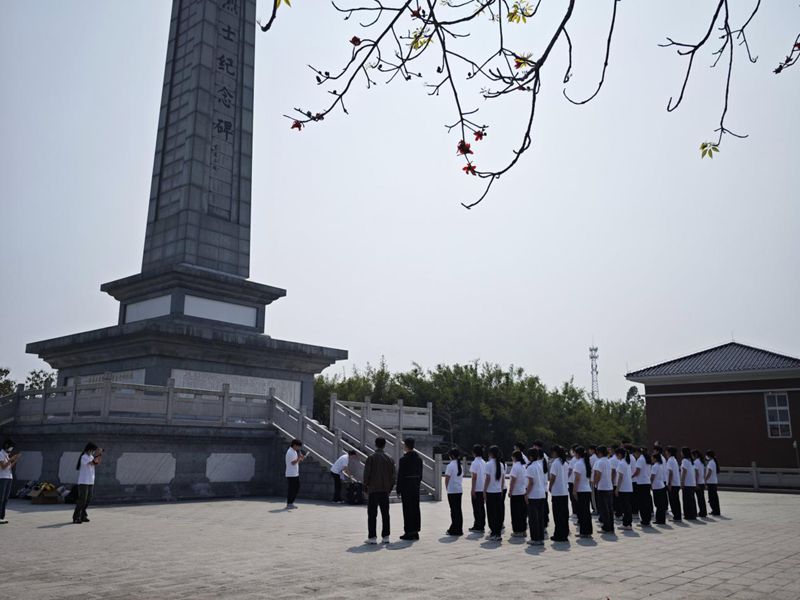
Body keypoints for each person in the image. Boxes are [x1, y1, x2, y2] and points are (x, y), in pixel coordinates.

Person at [363, 437, 396, 544]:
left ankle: (372, 537)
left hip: (373, 489)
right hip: (385, 490)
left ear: (376, 444)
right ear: (384, 445)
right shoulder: (389, 458)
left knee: (372, 514)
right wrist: (390, 488)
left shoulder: (371, 458)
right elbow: (393, 476)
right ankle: (386, 536)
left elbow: (367, 474)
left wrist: (365, 486)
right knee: (385, 514)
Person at [397, 437, 423, 541]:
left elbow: (400, 475)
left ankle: (408, 532)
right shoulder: (419, 459)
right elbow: (420, 475)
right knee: (416, 508)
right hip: (415, 486)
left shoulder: (403, 460)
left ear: (406, 446)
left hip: (406, 487)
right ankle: (416, 531)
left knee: (407, 509)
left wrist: (398, 489)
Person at [73, 442, 103, 524]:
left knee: (88, 499)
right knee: (82, 500)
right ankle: (76, 517)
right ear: (89, 449)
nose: (94, 452)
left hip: (90, 481)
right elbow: (91, 463)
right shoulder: (84, 457)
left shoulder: (91, 457)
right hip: (83, 481)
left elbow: (97, 463)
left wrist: (100, 455)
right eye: (93, 450)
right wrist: (98, 454)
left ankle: (83, 516)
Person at [524, 448, 547, 545]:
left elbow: (531, 483)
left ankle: (535, 538)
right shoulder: (539, 465)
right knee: (540, 518)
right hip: (541, 494)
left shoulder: (530, 467)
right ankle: (540, 537)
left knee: (533, 519)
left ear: (530, 456)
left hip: (533, 495)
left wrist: (526, 494)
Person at [483, 445, 505, 542]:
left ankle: (493, 532)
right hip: (498, 491)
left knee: (491, 513)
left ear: (491, 453)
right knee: (498, 513)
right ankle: (498, 533)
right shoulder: (501, 464)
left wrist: (484, 491)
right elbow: (502, 479)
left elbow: (487, 479)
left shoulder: (488, 464)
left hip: (490, 492)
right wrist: (501, 490)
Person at [548, 445, 570, 542]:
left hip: (557, 492)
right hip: (564, 491)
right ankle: (564, 533)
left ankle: (559, 534)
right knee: (564, 514)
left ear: (555, 452)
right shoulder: (565, 463)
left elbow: (553, 477)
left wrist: (550, 486)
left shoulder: (555, 463)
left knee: (557, 515)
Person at [572, 446, 593, 538]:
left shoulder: (578, 464)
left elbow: (577, 479)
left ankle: (584, 532)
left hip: (581, 490)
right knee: (586, 512)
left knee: (582, 512)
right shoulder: (585, 462)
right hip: (587, 489)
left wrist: (574, 491)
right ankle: (588, 531)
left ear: (578, 454)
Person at [592, 446, 614, 533]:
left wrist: (595, 483)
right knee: (609, 508)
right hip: (609, 487)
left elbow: (598, 474)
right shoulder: (608, 461)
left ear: (599, 452)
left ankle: (606, 527)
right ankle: (611, 526)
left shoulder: (600, 462)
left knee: (603, 509)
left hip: (602, 487)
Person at [508, 450, 528, 537]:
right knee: (523, 512)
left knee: (515, 512)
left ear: (515, 457)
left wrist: (510, 491)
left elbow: (513, 480)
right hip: (523, 491)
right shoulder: (523, 466)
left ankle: (517, 531)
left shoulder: (515, 466)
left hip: (516, 492)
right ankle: (523, 530)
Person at [0, 439, 21, 524]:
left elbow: (9, 467)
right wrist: (11, 459)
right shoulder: (1, 454)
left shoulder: (6, 455)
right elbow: (3, 467)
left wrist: (15, 460)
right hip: (2, 477)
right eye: (11, 447)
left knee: (5, 498)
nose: (11, 449)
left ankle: (2, 517)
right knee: (1, 498)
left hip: (9, 477)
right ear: (6, 446)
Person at [444, 448, 464, 536]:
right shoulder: (460, 466)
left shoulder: (450, 466)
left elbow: (447, 479)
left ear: (451, 456)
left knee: (453, 511)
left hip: (452, 491)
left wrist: (447, 488)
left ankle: (454, 529)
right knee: (458, 510)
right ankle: (459, 528)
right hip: (459, 490)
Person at [614, 446, 633, 531]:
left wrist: (617, 489)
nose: (616, 457)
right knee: (627, 506)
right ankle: (628, 523)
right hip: (628, 487)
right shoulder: (627, 462)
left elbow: (620, 477)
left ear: (619, 454)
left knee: (625, 507)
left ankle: (626, 524)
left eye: (616, 455)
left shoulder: (621, 463)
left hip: (623, 488)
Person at [633, 447, 653, 527]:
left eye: (634, 453)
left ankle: (644, 521)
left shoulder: (640, 460)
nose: (634, 455)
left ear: (637, 452)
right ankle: (647, 520)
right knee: (646, 502)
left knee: (642, 503)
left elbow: (637, 472)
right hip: (647, 482)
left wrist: (631, 476)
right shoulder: (646, 458)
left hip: (641, 483)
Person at [469, 445, 486, 533]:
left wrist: (472, 489)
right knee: (481, 508)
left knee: (476, 508)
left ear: (474, 452)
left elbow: (474, 477)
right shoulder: (484, 462)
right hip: (483, 488)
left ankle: (478, 525)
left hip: (477, 488)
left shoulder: (474, 463)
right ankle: (481, 525)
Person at [285, 439, 306, 509]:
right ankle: (289, 503)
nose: (299, 448)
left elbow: (296, 463)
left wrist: (300, 459)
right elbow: (293, 463)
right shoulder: (290, 452)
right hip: (291, 474)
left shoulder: (294, 451)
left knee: (296, 488)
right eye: (298, 446)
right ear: (294, 445)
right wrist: (299, 458)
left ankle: (291, 503)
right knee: (292, 489)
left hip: (294, 473)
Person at [650, 447, 668, 525]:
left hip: (657, 487)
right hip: (661, 486)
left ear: (655, 459)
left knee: (658, 504)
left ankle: (659, 520)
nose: (651, 459)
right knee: (661, 504)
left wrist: (650, 484)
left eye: (652, 458)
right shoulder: (660, 465)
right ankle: (661, 519)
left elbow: (652, 477)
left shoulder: (655, 466)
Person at [680, 446, 698, 520]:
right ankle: (693, 514)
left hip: (687, 483)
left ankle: (688, 515)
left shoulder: (684, 460)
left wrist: (682, 482)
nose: (681, 453)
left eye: (681, 451)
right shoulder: (691, 461)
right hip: (692, 483)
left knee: (686, 500)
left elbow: (684, 472)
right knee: (692, 500)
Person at [664, 446, 682, 521]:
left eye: (666, 451)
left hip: (672, 484)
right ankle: (678, 516)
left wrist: (669, 484)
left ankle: (676, 517)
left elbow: (670, 473)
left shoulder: (670, 460)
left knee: (673, 501)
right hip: (676, 484)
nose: (665, 452)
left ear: (669, 452)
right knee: (676, 501)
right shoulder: (674, 460)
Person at [692, 450, 708, 518]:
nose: (692, 457)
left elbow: (696, 473)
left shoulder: (696, 462)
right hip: (702, 482)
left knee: (699, 499)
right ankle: (703, 512)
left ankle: (702, 513)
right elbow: (704, 472)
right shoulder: (702, 462)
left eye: (692, 455)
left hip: (698, 483)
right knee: (702, 498)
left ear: (695, 455)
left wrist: (696, 483)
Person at [705, 450, 721, 516]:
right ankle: (716, 510)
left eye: (706, 455)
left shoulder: (711, 462)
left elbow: (709, 472)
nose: (706, 456)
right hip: (713, 482)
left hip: (711, 482)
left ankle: (715, 511)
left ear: (709, 455)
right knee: (714, 497)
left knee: (712, 498)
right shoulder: (713, 462)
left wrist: (705, 480)